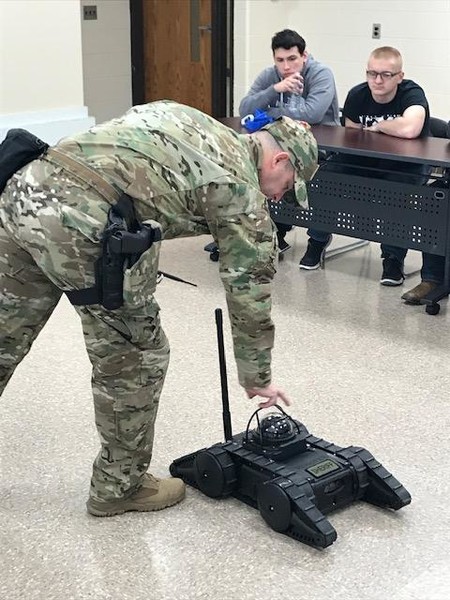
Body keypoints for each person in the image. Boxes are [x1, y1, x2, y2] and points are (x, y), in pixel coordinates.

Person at [0, 101, 318, 517]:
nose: (279, 195)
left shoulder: (198, 122)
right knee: (136, 356)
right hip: (81, 219)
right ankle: (120, 486)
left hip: (23, 187)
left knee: (5, 331)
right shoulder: (240, 189)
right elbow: (249, 289)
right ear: (278, 158)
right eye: (288, 182)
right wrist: (256, 378)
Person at [302, 46, 444, 299]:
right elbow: (352, 136)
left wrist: (378, 127)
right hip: (366, 159)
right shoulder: (357, 94)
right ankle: (317, 241)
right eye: (372, 73)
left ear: (399, 76)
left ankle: (392, 259)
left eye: (386, 75)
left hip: (407, 164)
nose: (377, 80)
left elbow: (411, 128)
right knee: (324, 179)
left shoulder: (412, 93)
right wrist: (391, 128)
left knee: (396, 196)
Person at [239, 28, 339, 255]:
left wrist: (270, 110)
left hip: (319, 147)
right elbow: (245, 108)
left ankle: (317, 240)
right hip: (283, 145)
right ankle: (273, 232)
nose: (286, 67)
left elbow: (312, 113)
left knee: (319, 182)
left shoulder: (321, 73)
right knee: (260, 169)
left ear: (304, 56)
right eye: (280, 60)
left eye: (292, 59)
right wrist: (275, 89)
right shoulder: (271, 75)